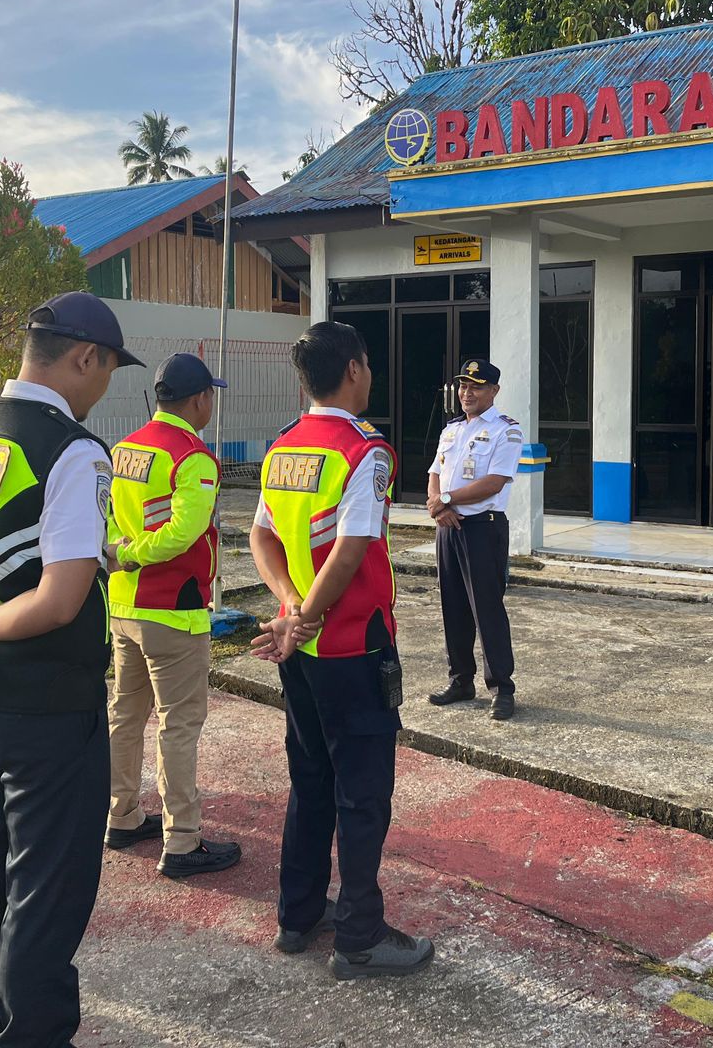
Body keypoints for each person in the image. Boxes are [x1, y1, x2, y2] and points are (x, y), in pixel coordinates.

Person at [0, 291, 139, 1047]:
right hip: (45, 702)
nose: (105, 386)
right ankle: (32, 1033)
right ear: (85, 358)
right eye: (106, 370)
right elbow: (59, 599)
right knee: (45, 891)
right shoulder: (72, 449)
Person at [249, 321, 434, 981]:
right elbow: (352, 552)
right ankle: (359, 934)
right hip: (352, 646)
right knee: (363, 793)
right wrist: (308, 618)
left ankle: (298, 915)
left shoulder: (284, 448)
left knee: (311, 779)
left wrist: (291, 608)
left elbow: (262, 539)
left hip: (300, 650)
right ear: (354, 369)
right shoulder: (366, 451)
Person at [105, 352, 240, 878]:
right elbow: (184, 533)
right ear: (199, 399)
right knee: (178, 726)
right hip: (174, 609)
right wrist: (136, 550)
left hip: (124, 604)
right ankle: (182, 840)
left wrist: (122, 552)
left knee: (125, 715)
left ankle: (121, 815)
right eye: (211, 396)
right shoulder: (193, 457)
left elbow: (114, 518)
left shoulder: (126, 448)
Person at [425, 358, 523, 721]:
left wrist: (447, 500)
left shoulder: (506, 431)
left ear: (493, 391)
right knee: (453, 606)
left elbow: (494, 482)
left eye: (476, 386)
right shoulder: (450, 430)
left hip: (484, 528)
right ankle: (461, 680)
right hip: (448, 529)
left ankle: (502, 687)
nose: (467, 393)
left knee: (487, 609)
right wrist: (438, 507)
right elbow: (435, 473)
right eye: (464, 386)